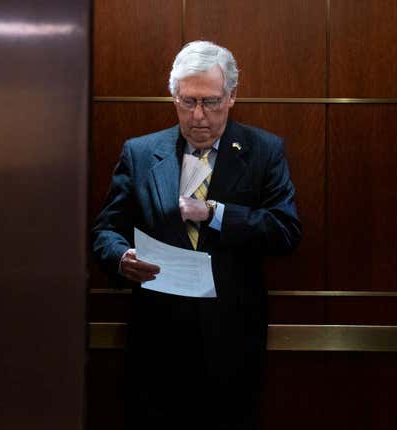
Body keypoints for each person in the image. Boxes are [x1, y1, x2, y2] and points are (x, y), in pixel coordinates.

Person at [92, 41, 301, 430]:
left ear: (232, 96)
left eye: (211, 102)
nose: (199, 116)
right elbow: (106, 229)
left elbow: (285, 231)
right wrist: (121, 258)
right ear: (173, 98)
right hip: (157, 342)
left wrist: (215, 213)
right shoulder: (140, 153)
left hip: (231, 341)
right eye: (187, 102)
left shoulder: (263, 151)